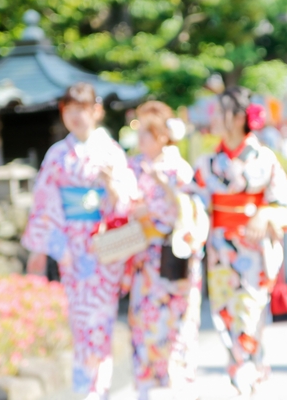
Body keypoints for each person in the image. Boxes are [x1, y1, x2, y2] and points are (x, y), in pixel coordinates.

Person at [21, 82, 138, 400]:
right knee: (79, 317)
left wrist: (112, 188)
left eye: (81, 110)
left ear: (95, 112)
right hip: (71, 246)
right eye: (68, 110)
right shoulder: (58, 154)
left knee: (100, 317)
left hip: (103, 245)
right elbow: (45, 202)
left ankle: (95, 388)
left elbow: (127, 202)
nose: (75, 117)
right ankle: (86, 387)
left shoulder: (112, 152)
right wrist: (47, 248)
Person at [191, 87, 287, 397]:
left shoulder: (264, 157)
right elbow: (193, 202)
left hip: (252, 251)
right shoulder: (208, 160)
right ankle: (243, 378)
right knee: (224, 316)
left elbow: (286, 201)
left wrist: (264, 213)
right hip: (220, 249)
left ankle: (248, 379)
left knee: (250, 315)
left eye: (221, 110)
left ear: (239, 117)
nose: (214, 117)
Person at [125, 101, 204, 400]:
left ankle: (179, 389)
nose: (140, 138)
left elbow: (189, 214)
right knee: (143, 325)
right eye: (139, 131)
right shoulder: (133, 166)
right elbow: (122, 206)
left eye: (146, 132)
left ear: (161, 135)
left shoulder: (178, 169)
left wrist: (158, 201)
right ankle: (145, 389)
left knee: (177, 329)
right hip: (143, 260)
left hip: (172, 259)